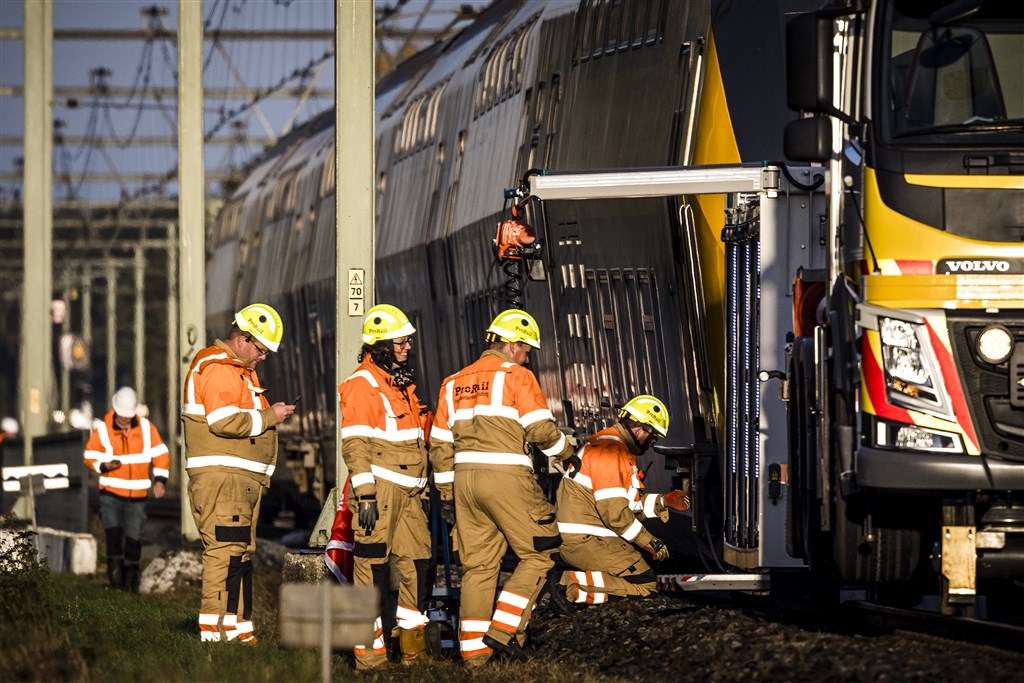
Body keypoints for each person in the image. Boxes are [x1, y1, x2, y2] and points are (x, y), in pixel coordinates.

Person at [429, 308, 575, 665]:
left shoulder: (452, 382)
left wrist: (448, 496)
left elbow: (439, 446)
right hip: (507, 477)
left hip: (464, 482)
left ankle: (475, 658)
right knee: (540, 553)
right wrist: (567, 453)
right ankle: (503, 632)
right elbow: (540, 430)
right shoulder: (517, 376)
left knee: (478, 567)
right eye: (526, 350)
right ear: (510, 345)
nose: (528, 357)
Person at [181, 303, 295, 644]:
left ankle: (238, 628)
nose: (263, 358)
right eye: (261, 350)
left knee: (240, 551)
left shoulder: (237, 371)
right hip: (223, 478)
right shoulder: (219, 369)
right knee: (224, 551)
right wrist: (270, 416)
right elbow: (224, 421)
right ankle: (214, 632)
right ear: (243, 338)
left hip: (238, 478)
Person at [339, 303, 434, 669]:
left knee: (417, 565)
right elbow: (356, 444)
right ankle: (369, 657)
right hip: (381, 491)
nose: (407, 348)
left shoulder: (399, 385)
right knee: (371, 568)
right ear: (380, 347)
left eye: (407, 342)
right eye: (400, 343)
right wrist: (365, 495)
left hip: (410, 493)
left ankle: (412, 653)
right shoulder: (362, 386)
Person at [554, 394, 688, 605]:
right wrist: (648, 541)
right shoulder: (610, 451)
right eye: (652, 438)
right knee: (645, 585)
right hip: (588, 539)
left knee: (637, 578)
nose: (651, 445)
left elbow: (629, 506)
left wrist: (665, 501)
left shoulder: (610, 446)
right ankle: (568, 585)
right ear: (639, 429)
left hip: (584, 536)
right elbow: (615, 514)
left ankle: (572, 590)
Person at [82, 387, 169, 592]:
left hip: (137, 496)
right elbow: (89, 455)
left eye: (127, 416)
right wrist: (104, 466)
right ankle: (115, 576)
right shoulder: (103, 430)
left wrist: (160, 480)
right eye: (121, 416)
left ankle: (131, 576)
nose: (124, 420)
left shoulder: (147, 428)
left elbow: (161, 454)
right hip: (111, 493)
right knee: (113, 534)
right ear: (115, 410)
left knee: (133, 537)